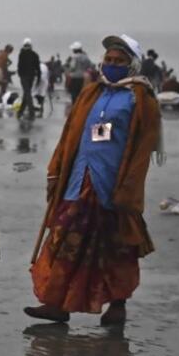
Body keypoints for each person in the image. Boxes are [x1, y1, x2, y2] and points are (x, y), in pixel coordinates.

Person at [25, 34, 162, 326]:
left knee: (116, 245)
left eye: (119, 61)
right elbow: (69, 135)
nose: (111, 65)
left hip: (113, 185)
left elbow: (142, 149)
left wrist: (130, 189)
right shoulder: (91, 93)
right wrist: (55, 171)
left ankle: (118, 305)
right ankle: (56, 303)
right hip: (78, 181)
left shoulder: (141, 99)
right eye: (108, 60)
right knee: (63, 239)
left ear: (132, 65)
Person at [17, 39, 41, 120]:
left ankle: (31, 112)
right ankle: (21, 111)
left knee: (27, 93)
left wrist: (19, 75)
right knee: (27, 92)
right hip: (31, 76)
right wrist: (39, 78)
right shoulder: (35, 54)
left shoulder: (21, 54)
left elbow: (19, 66)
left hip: (24, 76)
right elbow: (38, 68)